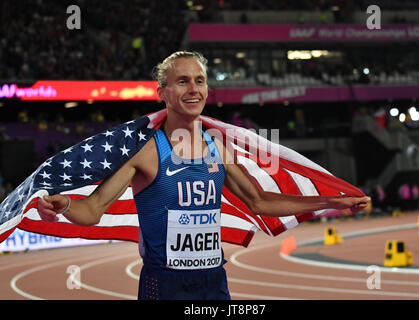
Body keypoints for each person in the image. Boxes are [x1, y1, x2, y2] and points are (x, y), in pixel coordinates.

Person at [36, 51, 370, 300]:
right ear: (163, 92)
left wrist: (331, 201)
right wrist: (65, 204)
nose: (193, 89)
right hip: (163, 285)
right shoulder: (148, 152)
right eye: (182, 81)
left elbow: (259, 201)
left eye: (199, 80)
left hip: (214, 281)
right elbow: (92, 211)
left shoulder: (219, 149)